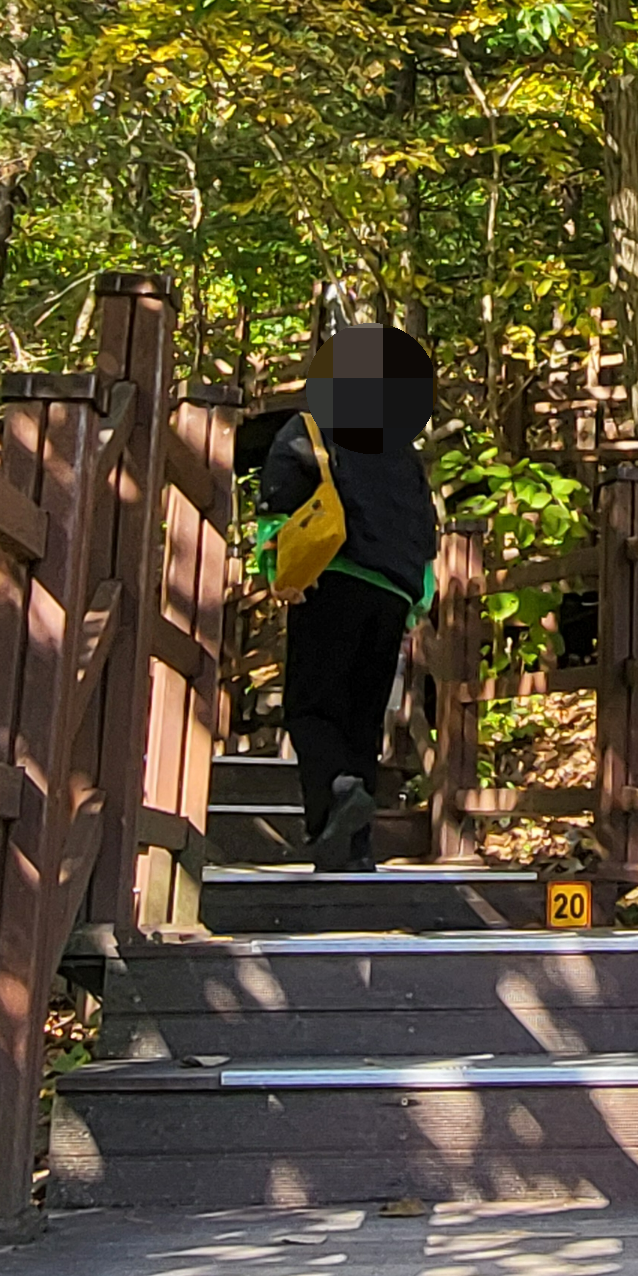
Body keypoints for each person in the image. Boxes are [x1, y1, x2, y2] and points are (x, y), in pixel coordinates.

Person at [259, 322, 438, 871]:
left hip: (331, 577)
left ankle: (335, 793)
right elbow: (424, 532)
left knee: (312, 707)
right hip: (393, 595)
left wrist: (279, 569)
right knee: (363, 716)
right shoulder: (402, 452)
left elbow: (278, 504)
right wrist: (416, 603)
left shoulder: (310, 428)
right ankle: (351, 853)